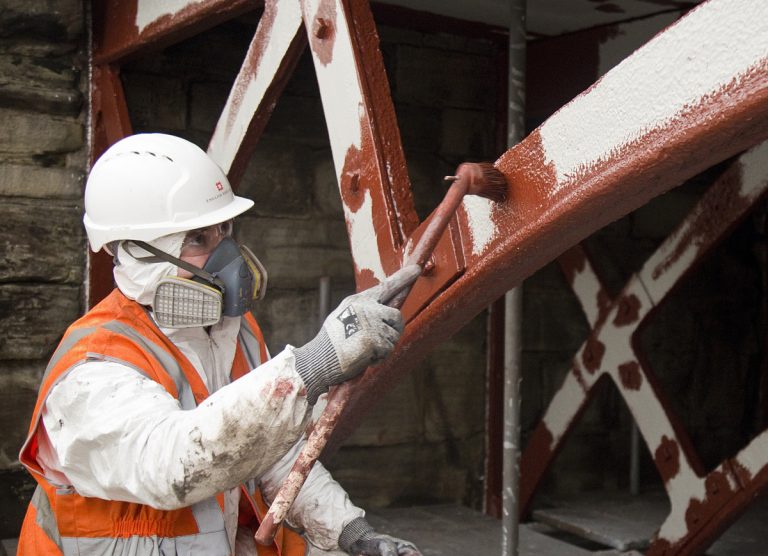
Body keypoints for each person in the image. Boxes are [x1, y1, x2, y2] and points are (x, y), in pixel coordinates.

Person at [17, 133, 423, 556]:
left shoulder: (234, 329)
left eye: (225, 229)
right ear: (138, 252)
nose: (226, 253)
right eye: (198, 239)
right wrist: (313, 365)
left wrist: (350, 533)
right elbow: (174, 465)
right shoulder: (93, 366)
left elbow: (273, 454)